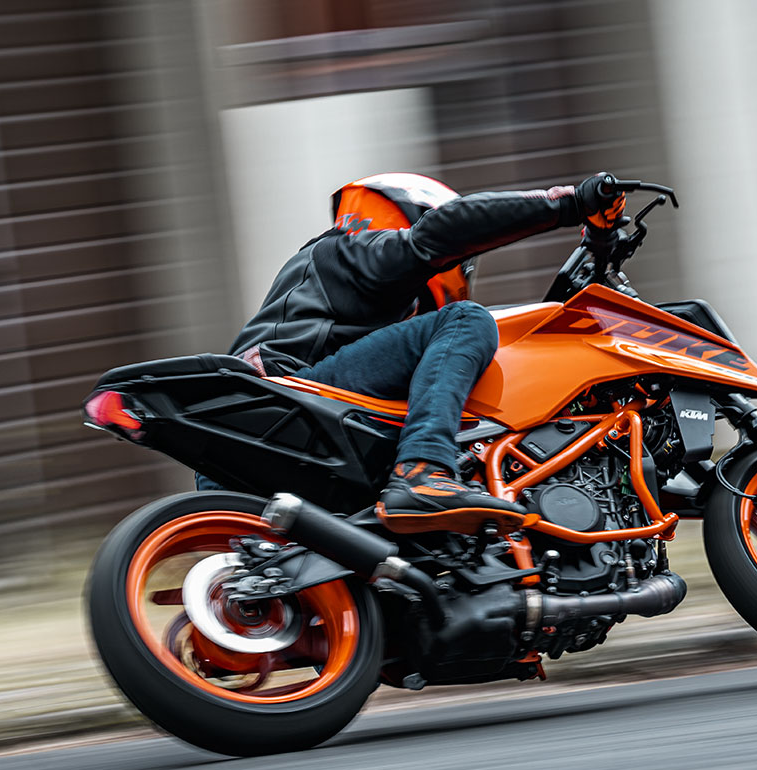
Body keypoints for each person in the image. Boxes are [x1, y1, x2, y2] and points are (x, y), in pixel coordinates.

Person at [207, 172, 627, 532]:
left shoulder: (364, 301)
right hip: (287, 401)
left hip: (257, 445)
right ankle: (423, 471)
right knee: (467, 320)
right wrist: (566, 204)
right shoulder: (349, 251)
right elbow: (438, 236)